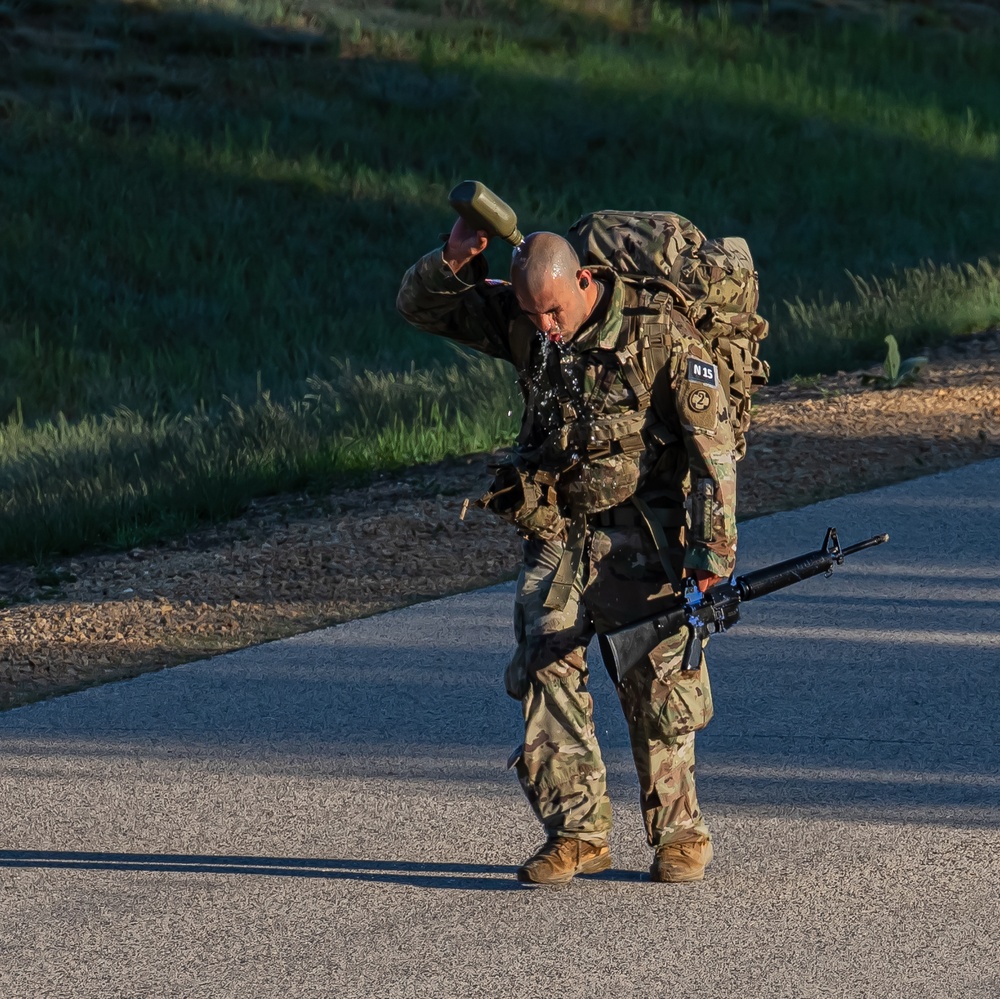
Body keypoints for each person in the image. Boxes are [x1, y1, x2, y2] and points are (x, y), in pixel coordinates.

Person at [396, 211, 741, 885]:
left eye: (555, 311)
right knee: (544, 658)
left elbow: (715, 451)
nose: (547, 329)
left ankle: (679, 832)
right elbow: (421, 309)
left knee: (656, 679)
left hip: (647, 529)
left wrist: (711, 552)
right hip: (563, 529)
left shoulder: (659, 336)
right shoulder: (527, 322)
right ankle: (578, 831)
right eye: (534, 316)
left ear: (584, 280)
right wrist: (454, 258)